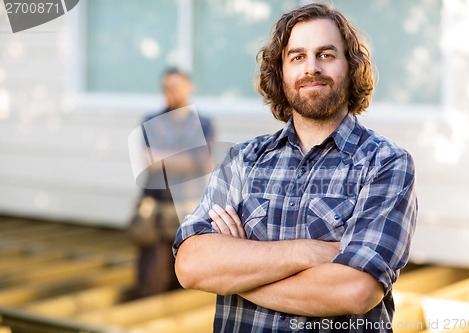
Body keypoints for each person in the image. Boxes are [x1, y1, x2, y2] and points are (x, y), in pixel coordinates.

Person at [174, 3, 417, 332]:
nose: (311, 68)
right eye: (297, 56)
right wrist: (310, 252)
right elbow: (191, 266)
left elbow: (355, 290)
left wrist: (235, 270)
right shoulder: (242, 161)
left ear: (351, 66)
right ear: (281, 70)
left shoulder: (385, 163)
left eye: (326, 55)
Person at [134, 68, 214, 298]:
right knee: (151, 281)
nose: (170, 92)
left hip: (189, 213)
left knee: (186, 281)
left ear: (190, 88)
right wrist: (188, 156)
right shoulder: (151, 120)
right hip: (155, 212)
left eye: (176, 86)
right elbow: (149, 161)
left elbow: (205, 162)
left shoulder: (203, 122)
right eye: (166, 87)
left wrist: (164, 157)